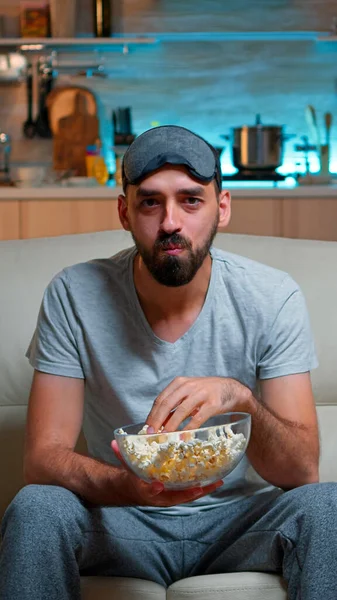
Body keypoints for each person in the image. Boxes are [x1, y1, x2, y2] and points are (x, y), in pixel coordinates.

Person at [0, 124, 333, 600]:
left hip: (238, 525)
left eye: (191, 200)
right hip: (121, 521)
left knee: (327, 506)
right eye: (150, 202)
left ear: (222, 207)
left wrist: (240, 398)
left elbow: (302, 471)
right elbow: (42, 458)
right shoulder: (74, 295)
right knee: (36, 507)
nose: (171, 222)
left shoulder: (272, 296)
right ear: (124, 211)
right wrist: (130, 487)